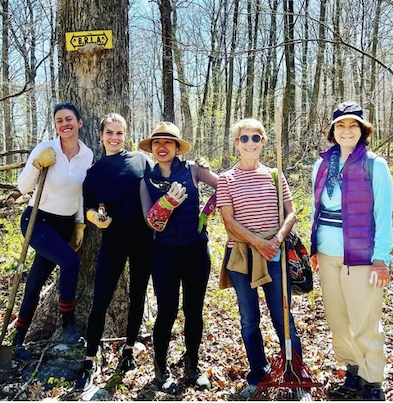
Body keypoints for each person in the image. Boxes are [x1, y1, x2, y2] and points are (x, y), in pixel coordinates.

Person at [310, 101, 392, 401]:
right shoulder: (321, 165)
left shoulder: (374, 165)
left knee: (365, 320)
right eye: (341, 125)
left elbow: (384, 214)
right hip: (328, 256)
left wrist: (382, 258)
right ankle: (353, 371)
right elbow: (315, 210)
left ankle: (373, 381)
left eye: (353, 125)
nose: (347, 130)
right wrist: (314, 249)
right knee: (338, 319)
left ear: (362, 130)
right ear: (333, 131)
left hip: (361, 258)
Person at [216, 117, 303, 399]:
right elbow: (228, 221)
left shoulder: (275, 175)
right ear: (236, 143)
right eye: (244, 138)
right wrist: (257, 242)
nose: (250, 143)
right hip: (242, 255)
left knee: (282, 316)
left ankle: (295, 373)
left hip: (275, 253)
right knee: (249, 319)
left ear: (263, 141)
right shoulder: (226, 179)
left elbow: (291, 213)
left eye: (256, 138)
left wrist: (275, 240)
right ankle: (258, 373)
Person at [75, 113, 154, 391]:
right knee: (101, 297)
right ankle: (88, 359)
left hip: (145, 237)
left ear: (125, 135)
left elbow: (163, 181)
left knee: (137, 295)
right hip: (114, 238)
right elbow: (87, 207)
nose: (114, 138)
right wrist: (95, 216)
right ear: (100, 136)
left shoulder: (141, 160)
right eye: (109, 133)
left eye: (119, 133)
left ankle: (129, 350)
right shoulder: (94, 173)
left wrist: (194, 167)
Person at [139, 121, 218, 392]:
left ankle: (192, 366)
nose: (162, 147)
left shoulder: (193, 170)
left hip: (196, 251)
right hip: (164, 256)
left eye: (168, 142)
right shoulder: (145, 180)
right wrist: (167, 204)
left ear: (176, 147)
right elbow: (151, 222)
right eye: (157, 143)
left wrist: (206, 212)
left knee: (193, 310)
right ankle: (161, 370)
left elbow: (226, 187)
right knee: (167, 312)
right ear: (151, 148)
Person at [14, 101, 94, 359]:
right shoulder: (46, 148)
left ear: (79, 123)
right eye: (59, 120)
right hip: (38, 221)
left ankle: (17, 341)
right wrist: (36, 165)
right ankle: (68, 324)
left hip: (65, 225)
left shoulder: (87, 155)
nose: (65, 124)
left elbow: (81, 192)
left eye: (69, 119)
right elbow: (23, 187)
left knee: (36, 281)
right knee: (70, 262)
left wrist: (80, 223)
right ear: (56, 125)